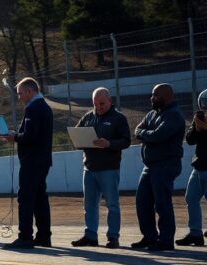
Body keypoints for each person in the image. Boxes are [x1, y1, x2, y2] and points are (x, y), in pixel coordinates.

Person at [70, 88, 131, 249]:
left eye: (102, 103)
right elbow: (76, 134)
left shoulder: (118, 118)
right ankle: (90, 235)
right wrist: (79, 141)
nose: (99, 107)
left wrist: (109, 143)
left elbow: (126, 141)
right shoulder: (88, 117)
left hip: (109, 169)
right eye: (95, 104)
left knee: (112, 204)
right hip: (89, 168)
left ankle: (113, 237)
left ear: (109, 101)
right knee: (89, 205)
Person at [0, 77, 53, 249]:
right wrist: (18, 135)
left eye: (21, 93)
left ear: (30, 91)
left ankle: (25, 236)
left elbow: (30, 136)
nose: (19, 97)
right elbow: (32, 134)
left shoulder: (34, 108)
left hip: (33, 161)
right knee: (39, 198)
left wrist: (14, 137)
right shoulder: (43, 106)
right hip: (42, 159)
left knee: (26, 198)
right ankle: (44, 236)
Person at [132, 83, 185, 251]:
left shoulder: (174, 116)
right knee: (142, 201)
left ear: (167, 96)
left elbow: (157, 136)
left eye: (155, 95)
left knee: (162, 203)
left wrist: (144, 134)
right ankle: (149, 237)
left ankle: (166, 240)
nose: (151, 98)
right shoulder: (152, 114)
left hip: (166, 164)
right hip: (150, 165)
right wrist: (145, 133)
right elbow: (137, 129)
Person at [175, 88, 207, 247]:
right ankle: (195, 233)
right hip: (199, 165)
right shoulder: (199, 118)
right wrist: (197, 128)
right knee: (191, 198)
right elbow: (190, 140)